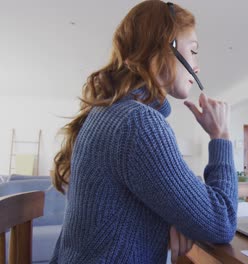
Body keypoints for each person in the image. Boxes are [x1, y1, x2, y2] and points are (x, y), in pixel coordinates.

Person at [50, 1, 237, 263]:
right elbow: (222, 222)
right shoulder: (138, 124)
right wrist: (221, 136)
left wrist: (171, 218)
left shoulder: (112, 113)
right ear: (165, 46)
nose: (197, 66)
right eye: (193, 51)